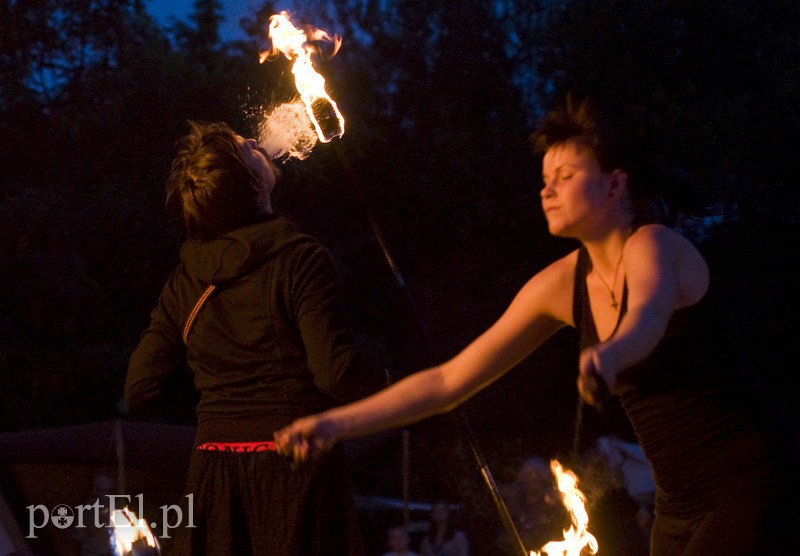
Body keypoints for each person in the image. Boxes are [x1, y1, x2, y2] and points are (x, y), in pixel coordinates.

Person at [274, 96, 787, 554]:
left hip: (748, 485)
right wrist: (336, 423)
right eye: (545, 180)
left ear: (615, 183)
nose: (548, 190)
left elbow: (645, 319)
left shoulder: (654, 244)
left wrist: (610, 355)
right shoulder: (560, 285)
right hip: (677, 506)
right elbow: (448, 382)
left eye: (565, 176)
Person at [124, 121, 390, 555]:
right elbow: (336, 374)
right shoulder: (301, 259)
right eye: (244, 148)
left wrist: (218, 397)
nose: (254, 139)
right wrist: (400, 388)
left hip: (212, 473)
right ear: (252, 187)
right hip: (292, 466)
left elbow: (138, 388)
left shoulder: (184, 279)